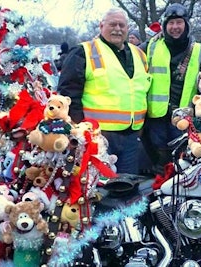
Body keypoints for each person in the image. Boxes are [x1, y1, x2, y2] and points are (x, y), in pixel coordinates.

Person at [57, 7, 151, 175]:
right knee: (97, 189)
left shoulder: (140, 54)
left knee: (127, 188)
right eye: (112, 24)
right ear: (101, 26)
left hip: (131, 137)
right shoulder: (83, 52)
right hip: (98, 137)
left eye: (122, 25)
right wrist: (79, 131)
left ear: (127, 29)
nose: (117, 29)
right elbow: (68, 94)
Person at [141, 3, 201, 175]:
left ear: (186, 24)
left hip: (184, 117)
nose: (175, 27)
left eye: (179, 22)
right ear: (164, 25)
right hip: (156, 116)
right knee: (158, 160)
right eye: (171, 23)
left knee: (181, 161)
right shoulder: (151, 46)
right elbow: (129, 55)